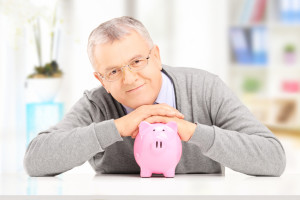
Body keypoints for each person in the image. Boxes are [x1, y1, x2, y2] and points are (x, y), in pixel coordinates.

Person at [24, 16, 286, 177]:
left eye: (137, 61)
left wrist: (191, 131)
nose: (130, 78)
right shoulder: (97, 104)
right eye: (113, 71)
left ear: (157, 57)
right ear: (101, 80)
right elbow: (35, 160)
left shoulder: (205, 89)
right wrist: (119, 127)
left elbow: (273, 158)